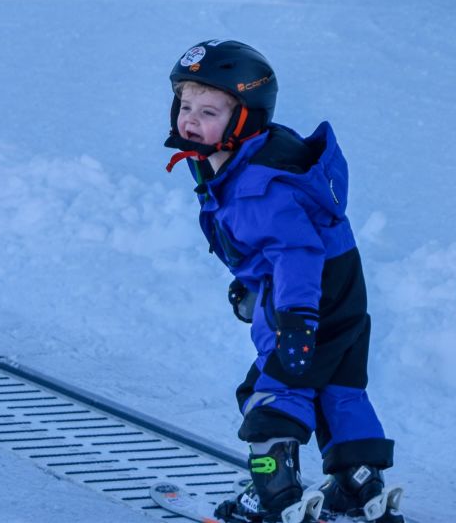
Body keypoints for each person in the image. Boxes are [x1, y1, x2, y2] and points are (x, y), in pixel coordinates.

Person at [163, 39, 400, 523]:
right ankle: (359, 485)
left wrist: (296, 319)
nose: (190, 119)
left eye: (208, 111)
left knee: (273, 389)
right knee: (338, 384)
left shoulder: (260, 185)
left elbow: (296, 251)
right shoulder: (247, 160)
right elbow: (274, 246)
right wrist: (252, 283)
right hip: (340, 286)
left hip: (307, 294)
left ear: (245, 118)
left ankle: (273, 497)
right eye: (185, 105)